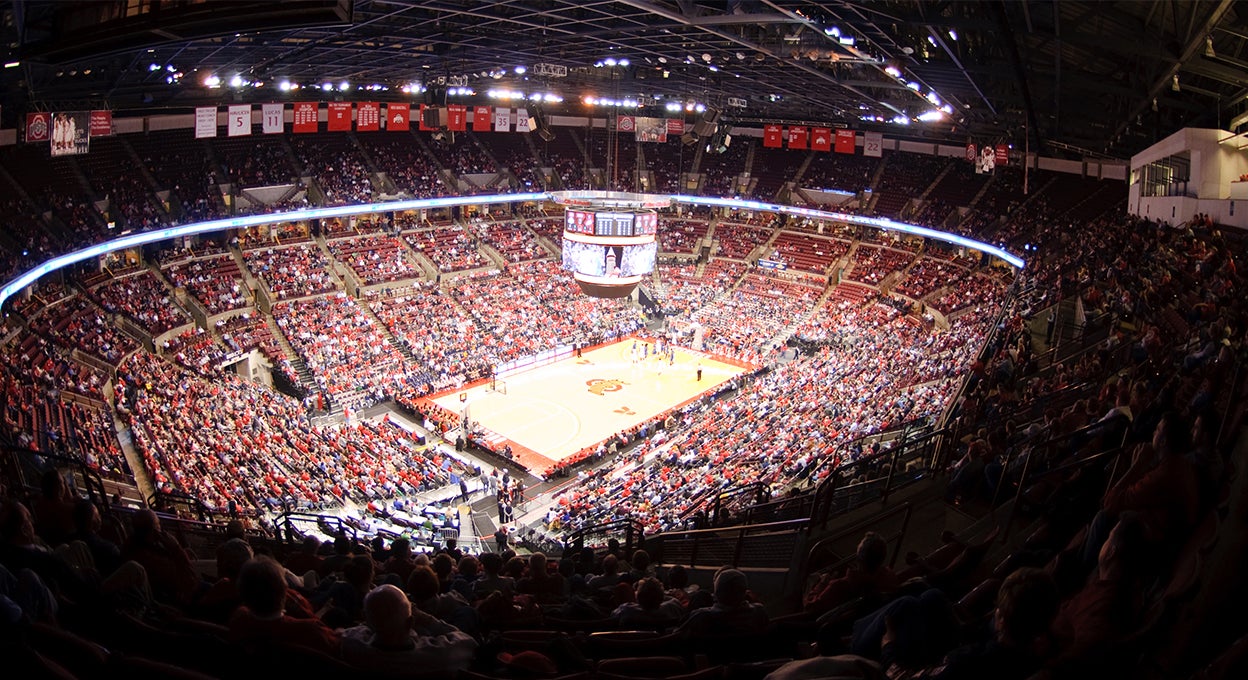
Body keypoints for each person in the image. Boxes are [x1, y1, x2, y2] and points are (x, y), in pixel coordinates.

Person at [341, 584, 478, 674]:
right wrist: (428, 619)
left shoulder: (350, 643)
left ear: (366, 619)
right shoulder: (441, 654)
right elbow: (468, 641)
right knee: (466, 611)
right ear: (410, 622)